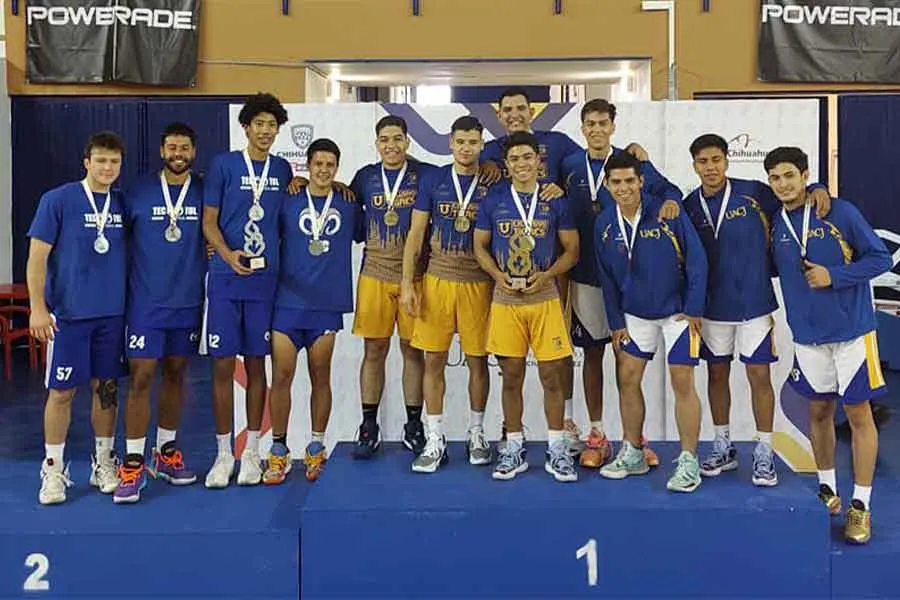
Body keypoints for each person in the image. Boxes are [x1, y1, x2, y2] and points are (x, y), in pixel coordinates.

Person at [683, 134, 832, 487]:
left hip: (754, 304)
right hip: (712, 309)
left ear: (727, 160)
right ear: (694, 166)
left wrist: (820, 186)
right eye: (703, 162)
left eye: (716, 159)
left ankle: (764, 451)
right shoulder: (690, 204)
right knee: (716, 376)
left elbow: (794, 197)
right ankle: (722, 445)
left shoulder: (754, 192)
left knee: (759, 377)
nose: (711, 167)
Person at [766, 146, 890, 544]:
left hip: (853, 333)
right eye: (775, 177)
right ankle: (826, 489)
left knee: (858, 416)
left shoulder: (839, 212)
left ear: (805, 176)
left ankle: (861, 505)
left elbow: (881, 259)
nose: (783, 184)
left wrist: (833, 276)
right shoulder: (776, 223)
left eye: (790, 175)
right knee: (818, 412)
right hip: (807, 336)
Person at [559, 98, 681, 467]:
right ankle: (597, 434)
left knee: (627, 360)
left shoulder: (632, 163)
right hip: (585, 277)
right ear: (582, 129)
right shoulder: (568, 165)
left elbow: (670, 191)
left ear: (613, 125)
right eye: (589, 123)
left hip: (631, 279)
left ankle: (634, 438)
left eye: (602, 123)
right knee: (593, 354)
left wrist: (671, 202)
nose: (596, 129)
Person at [594, 152, 708, 493]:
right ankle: (633, 452)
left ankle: (689, 460)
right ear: (607, 185)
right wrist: (616, 322)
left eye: (630, 180)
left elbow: (697, 261)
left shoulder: (666, 212)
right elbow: (606, 279)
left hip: (676, 314)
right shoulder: (604, 223)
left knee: (682, 380)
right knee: (627, 379)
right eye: (616, 182)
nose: (624, 188)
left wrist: (694, 309)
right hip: (634, 315)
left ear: (641, 181)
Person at [27, 131, 128, 505]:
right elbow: (37, 257)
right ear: (86, 162)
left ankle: (103, 461)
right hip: (68, 317)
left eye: (114, 162)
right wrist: (38, 307)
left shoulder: (121, 204)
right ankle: (53, 469)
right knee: (62, 392)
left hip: (112, 316)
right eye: (100, 160)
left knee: (106, 390)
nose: (107, 168)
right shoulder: (58, 200)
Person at [473, 131, 580, 482]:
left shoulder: (555, 202)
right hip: (506, 300)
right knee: (511, 376)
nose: (521, 164)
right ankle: (514, 446)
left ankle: (557, 447)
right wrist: (496, 276)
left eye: (527, 157)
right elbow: (480, 247)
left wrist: (547, 274)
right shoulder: (492, 201)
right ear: (507, 165)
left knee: (552, 376)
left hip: (544, 298)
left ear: (539, 161)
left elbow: (572, 251)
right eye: (514, 159)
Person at [202, 93, 292, 487]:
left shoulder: (284, 169)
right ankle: (224, 455)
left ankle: (252, 452)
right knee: (222, 365)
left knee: (258, 364)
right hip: (225, 278)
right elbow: (209, 222)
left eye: (272, 125)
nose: (266, 131)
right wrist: (227, 254)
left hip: (264, 282)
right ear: (246, 127)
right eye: (259, 124)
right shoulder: (224, 165)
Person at [113, 123, 206, 503]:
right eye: (172, 147)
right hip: (146, 302)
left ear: (194, 152)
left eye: (185, 146)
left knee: (176, 373)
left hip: (187, 301)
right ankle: (133, 461)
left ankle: (165, 451)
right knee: (141, 376)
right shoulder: (136, 191)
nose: (178, 153)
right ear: (162, 151)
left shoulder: (204, 191)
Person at [263, 138, 364, 484]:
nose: (323, 170)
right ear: (307, 166)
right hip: (287, 303)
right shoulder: (287, 199)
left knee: (321, 375)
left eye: (329, 165)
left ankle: (316, 447)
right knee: (282, 376)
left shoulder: (349, 203)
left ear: (337, 168)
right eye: (317, 164)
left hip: (325, 306)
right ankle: (278, 449)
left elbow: (367, 234)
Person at [400, 116, 494, 473]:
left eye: (473, 142)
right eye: (460, 142)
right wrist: (409, 282)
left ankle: (477, 432)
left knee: (477, 362)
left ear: (481, 144)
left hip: (479, 283)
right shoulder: (434, 180)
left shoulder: (493, 182)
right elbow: (416, 232)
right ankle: (434, 436)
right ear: (450, 144)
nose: (466, 148)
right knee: (433, 360)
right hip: (437, 281)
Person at [350, 115, 438, 459]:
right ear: (376, 143)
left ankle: (413, 424)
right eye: (385, 139)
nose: (391, 145)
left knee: (412, 352)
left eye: (398, 139)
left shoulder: (427, 175)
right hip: (373, 273)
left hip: (415, 278)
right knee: (373, 351)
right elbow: (340, 202)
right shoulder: (364, 178)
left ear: (407, 142)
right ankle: (368, 424)